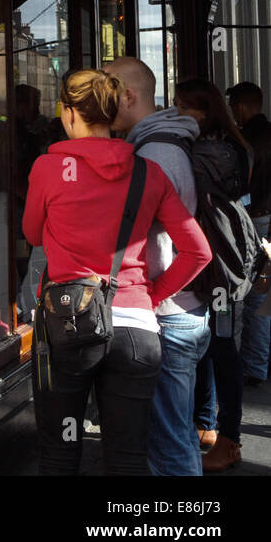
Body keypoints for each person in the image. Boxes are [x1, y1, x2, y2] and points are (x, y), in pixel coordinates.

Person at [23, 69, 211, 474]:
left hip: (69, 325)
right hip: (137, 332)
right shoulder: (148, 172)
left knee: (60, 453)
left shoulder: (48, 168)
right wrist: (152, 296)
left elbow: (32, 233)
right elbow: (198, 252)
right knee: (127, 457)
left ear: (70, 113)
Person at [104, 57, 209, 475]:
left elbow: (193, 250)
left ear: (127, 96)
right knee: (175, 435)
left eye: (106, 91)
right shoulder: (162, 143)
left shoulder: (157, 153)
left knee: (169, 444)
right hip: (183, 311)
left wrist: (152, 298)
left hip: (170, 315)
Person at [176, 79, 252, 472]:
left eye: (181, 106)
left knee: (222, 349)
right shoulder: (228, 145)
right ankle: (208, 427)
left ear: (203, 113)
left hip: (218, 263)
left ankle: (230, 439)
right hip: (223, 258)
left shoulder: (204, 152)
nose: (173, 113)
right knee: (213, 345)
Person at [226, 81, 271, 387]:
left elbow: (242, 186)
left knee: (255, 294)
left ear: (240, 106)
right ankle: (259, 361)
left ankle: (254, 365)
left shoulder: (244, 140)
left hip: (256, 220)